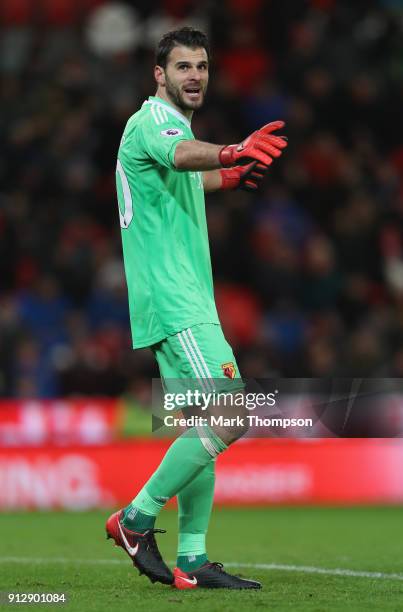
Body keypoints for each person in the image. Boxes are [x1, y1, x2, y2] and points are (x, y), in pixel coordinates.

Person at [106, 26, 287, 590]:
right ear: (159, 75)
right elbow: (180, 154)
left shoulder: (167, 127)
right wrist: (231, 150)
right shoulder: (154, 122)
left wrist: (225, 177)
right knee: (233, 412)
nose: (195, 76)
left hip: (172, 299)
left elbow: (182, 173)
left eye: (202, 67)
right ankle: (135, 517)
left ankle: (191, 558)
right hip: (179, 299)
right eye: (183, 67)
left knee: (198, 424)